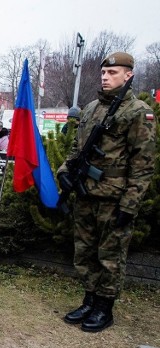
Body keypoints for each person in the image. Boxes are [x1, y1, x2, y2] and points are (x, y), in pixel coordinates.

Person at [57, 52, 156, 333]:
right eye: (104, 73)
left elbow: (143, 164)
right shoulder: (90, 109)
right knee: (85, 252)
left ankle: (104, 308)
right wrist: (65, 171)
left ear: (129, 75)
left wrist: (130, 204)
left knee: (110, 256)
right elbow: (77, 149)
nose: (105, 77)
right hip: (86, 193)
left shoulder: (138, 112)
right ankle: (89, 300)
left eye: (113, 73)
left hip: (114, 198)